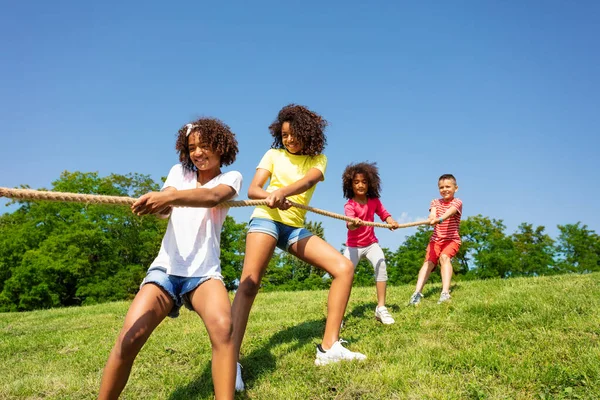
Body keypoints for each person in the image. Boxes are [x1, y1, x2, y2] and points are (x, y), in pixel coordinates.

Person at [98, 118, 242, 400]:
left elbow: (212, 197)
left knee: (224, 329)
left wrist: (170, 198)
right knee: (130, 339)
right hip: (166, 270)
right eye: (192, 148)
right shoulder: (179, 172)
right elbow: (167, 200)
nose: (198, 152)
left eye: (204, 145)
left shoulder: (231, 178)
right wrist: (159, 203)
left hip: (204, 274)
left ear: (221, 147)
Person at [231, 104, 366, 391]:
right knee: (250, 283)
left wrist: (284, 192)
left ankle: (329, 348)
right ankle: (229, 361)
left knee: (343, 268)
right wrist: (272, 195)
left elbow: (309, 179)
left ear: (308, 133)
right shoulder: (273, 154)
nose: (289, 140)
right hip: (266, 219)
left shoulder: (319, 159)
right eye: (284, 135)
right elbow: (254, 190)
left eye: (294, 134)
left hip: (294, 227)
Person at [341, 162, 399, 324]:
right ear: (350, 185)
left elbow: (384, 214)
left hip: (371, 244)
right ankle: (340, 314)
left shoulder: (374, 201)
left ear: (370, 183)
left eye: (364, 182)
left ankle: (381, 308)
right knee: (344, 276)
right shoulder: (350, 205)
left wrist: (391, 221)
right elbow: (349, 225)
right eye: (356, 182)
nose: (360, 185)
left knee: (381, 264)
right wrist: (354, 222)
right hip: (353, 247)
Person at [408, 174, 462, 306]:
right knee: (429, 263)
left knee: (444, 258)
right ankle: (417, 293)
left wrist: (440, 219)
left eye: (448, 186)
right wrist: (432, 217)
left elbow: (451, 211)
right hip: (435, 240)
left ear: (456, 188)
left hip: (451, 240)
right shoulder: (435, 202)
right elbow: (433, 212)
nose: (444, 189)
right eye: (441, 187)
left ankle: (445, 293)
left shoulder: (457, 202)